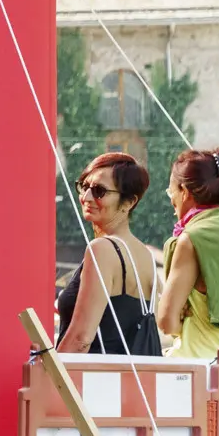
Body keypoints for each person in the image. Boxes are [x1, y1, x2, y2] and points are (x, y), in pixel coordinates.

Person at [60, 152, 163, 356]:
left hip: (93, 382)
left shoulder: (102, 249)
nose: (86, 197)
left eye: (99, 191)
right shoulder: (145, 255)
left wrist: (50, 380)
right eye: (84, 186)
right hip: (129, 383)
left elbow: (81, 339)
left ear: (129, 202)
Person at [158, 148, 219, 361]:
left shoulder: (192, 238)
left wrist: (183, 321)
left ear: (184, 191)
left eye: (171, 192)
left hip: (198, 367)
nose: (172, 200)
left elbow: (166, 321)